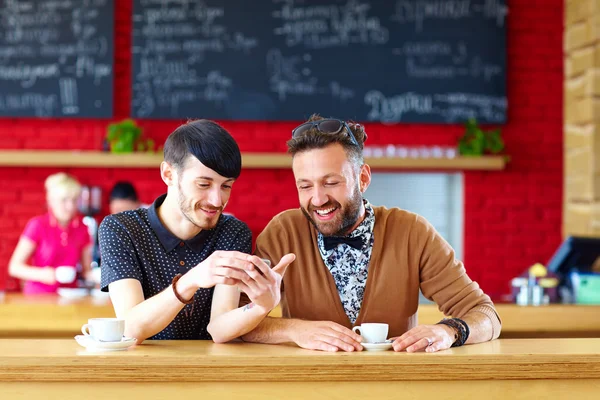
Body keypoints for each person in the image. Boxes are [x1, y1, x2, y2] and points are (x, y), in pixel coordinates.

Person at [240, 115, 501, 353]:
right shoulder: (282, 232)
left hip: (395, 387)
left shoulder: (412, 232)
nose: (317, 199)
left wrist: (448, 331)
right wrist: (295, 329)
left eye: (331, 182)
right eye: (305, 186)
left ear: (363, 178)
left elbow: (485, 315)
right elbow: (236, 319)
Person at [99, 119, 294, 343]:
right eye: (203, 184)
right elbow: (131, 329)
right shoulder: (121, 229)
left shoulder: (232, 232)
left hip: (208, 370)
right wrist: (191, 280)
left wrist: (261, 306)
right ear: (169, 174)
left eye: (226, 186)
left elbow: (219, 330)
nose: (217, 200)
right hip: (141, 371)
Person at [9, 173, 92, 295]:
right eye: (64, 200)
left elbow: (87, 271)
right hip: (38, 296)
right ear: (51, 200)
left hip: (70, 296)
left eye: (74, 200)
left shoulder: (82, 228)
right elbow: (14, 267)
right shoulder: (37, 225)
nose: (70, 206)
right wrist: (42, 274)